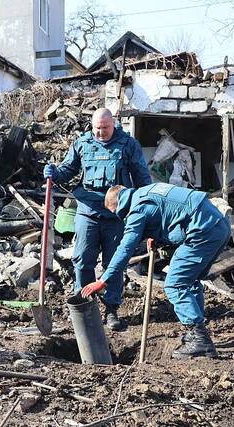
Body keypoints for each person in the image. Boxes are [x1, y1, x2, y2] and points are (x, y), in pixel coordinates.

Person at [81, 183, 231, 358]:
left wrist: (103, 280)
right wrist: (157, 235)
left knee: (175, 284)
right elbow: (172, 213)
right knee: (191, 281)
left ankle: (200, 340)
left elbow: (125, 248)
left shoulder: (137, 210)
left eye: (115, 213)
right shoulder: (147, 191)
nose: (118, 217)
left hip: (202, 231)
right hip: (219, 226)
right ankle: (196, 335)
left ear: (118, 205)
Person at [43, 108, 152, 330]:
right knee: (83, 259)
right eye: (97, 129)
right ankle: (84, 307)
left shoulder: (128, 145)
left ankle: (112, 310)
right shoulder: (82, 144)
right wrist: (53, 172)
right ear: (92, 126)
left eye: (106, 128)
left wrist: (147, 210)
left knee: (114, 263)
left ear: (114, 125)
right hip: (87, 211)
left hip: (116, 214)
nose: (101, 133)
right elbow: (67, 170)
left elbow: (142, 179)